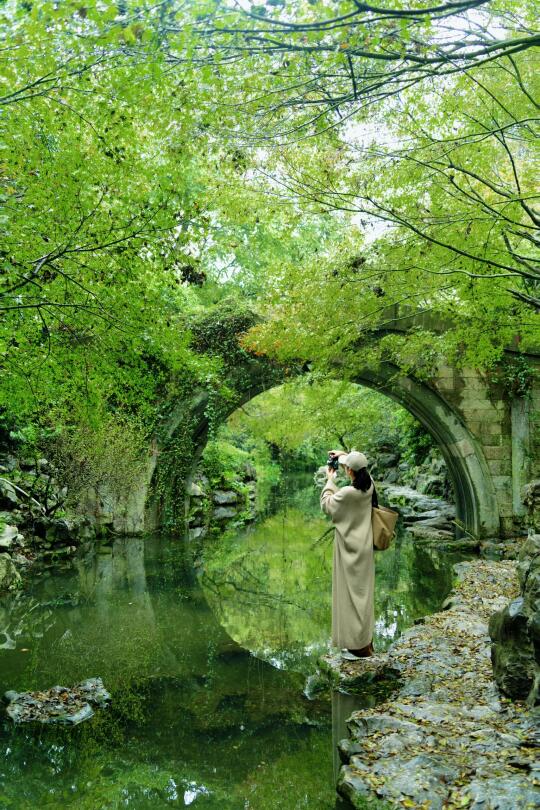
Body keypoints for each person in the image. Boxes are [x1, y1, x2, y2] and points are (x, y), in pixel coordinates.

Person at [320, 450, 375, 660]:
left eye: (346, 468)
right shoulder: (370, 486)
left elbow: (327, 505)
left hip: (348, 551)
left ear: (349, 471)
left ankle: (355, 646)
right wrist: (344, 455)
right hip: (365, 549)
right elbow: (358, 468)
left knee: (348, 596)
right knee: (362, 595)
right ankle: (364, 641)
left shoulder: (347, 493)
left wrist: (329, 480)